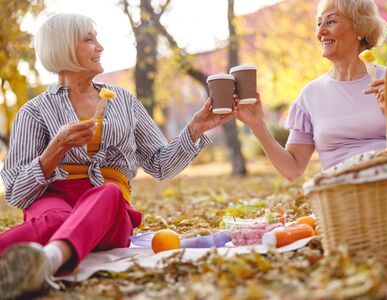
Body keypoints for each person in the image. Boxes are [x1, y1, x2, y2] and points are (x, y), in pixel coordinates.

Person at [0, 13, 235, 299]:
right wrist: (56, 148)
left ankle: (48, 259)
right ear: (62, 47)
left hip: (108, 207)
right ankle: (42, 260)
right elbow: (15, 192)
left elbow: (160, 165)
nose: (100, 47)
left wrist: (195, 129)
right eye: (89, 40)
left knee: (109, 192)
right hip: (53, 198)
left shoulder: (123, 101)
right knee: (55, 219)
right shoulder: (33, 111)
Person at [237, 0, 387, 181]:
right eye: (319, 23)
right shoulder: (311, 95)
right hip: (345, 197)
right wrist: (258, 126)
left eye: (331, 21)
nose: (320, 31)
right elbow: (293, 169)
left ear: (360, 28)